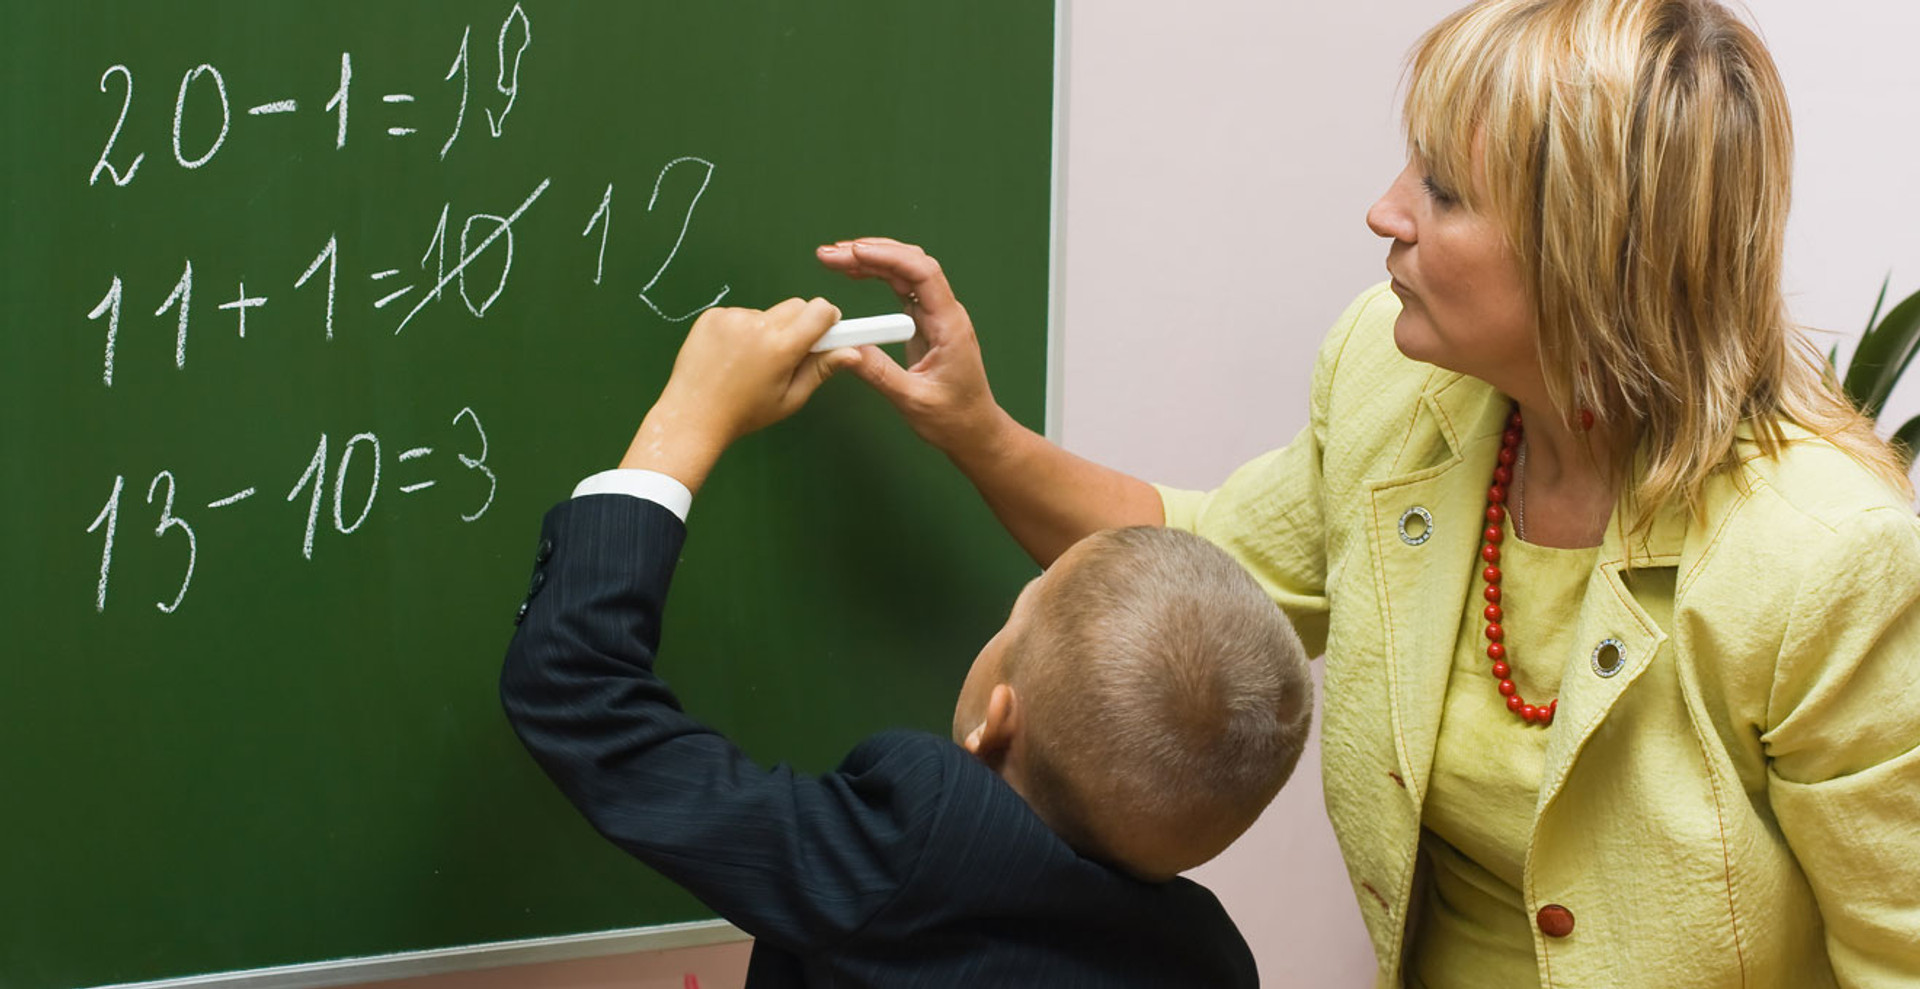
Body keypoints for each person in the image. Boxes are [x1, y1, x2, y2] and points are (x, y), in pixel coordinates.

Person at [814, 0, 1920, 986]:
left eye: (1441, 190)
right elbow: (1201, 564)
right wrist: (976, 428)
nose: (1384, 211)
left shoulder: (1829, 557)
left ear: (1589, 255)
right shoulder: (1396, 378)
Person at [499, 298, 1314, 987]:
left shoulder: (905, 863)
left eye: (1017, 612)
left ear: (997, 720)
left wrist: (688, 418)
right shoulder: (1210, 960)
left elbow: (576, 687)